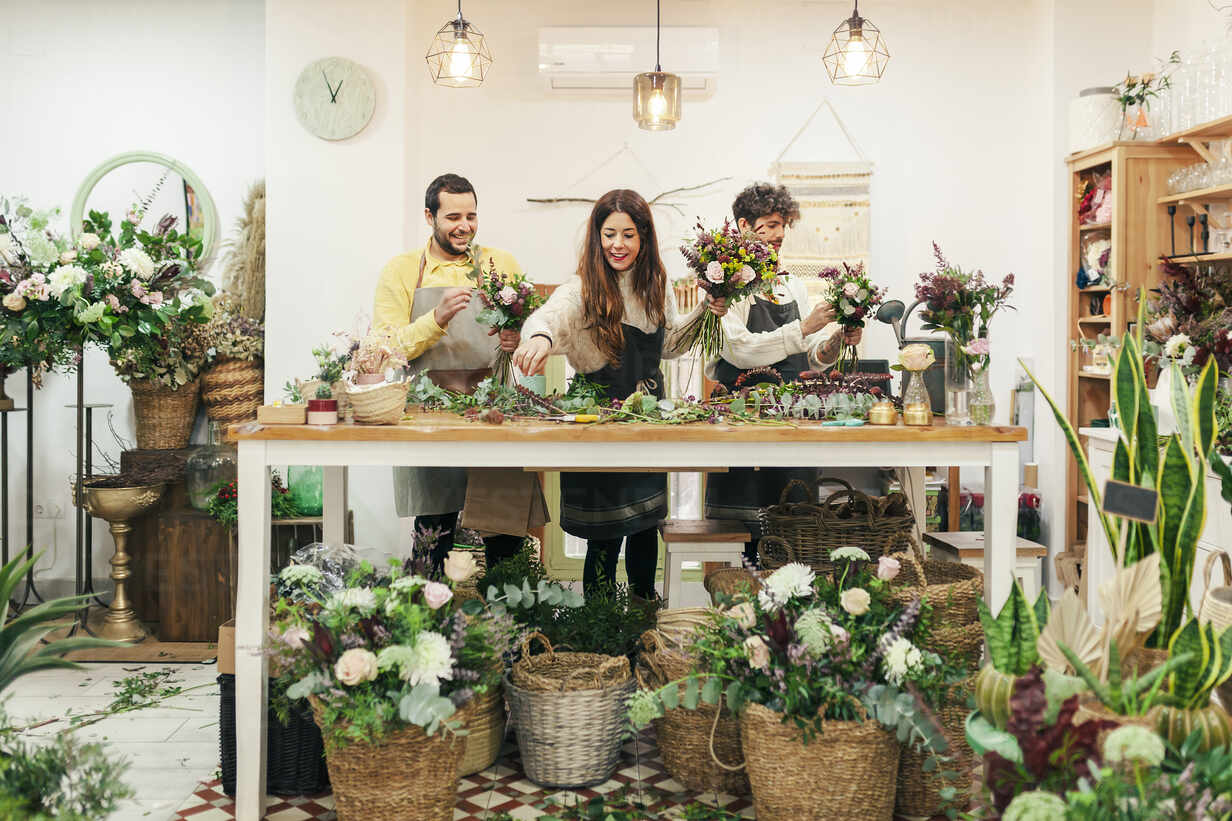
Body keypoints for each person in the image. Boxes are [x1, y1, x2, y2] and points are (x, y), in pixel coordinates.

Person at [513, 189, 721, 599]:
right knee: (604, 535)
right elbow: (551, 316)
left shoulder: (654, 285)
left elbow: (670, 346)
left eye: (628, 234)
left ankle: (644, 618)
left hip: (647, 421)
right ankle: (601, 626)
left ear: (643, 238)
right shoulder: (582, 288)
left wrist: (704, 310)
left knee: (646, 528)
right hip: (601, 424)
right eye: (609, 234)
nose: (617, 244)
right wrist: (537, 336)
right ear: (597, 236)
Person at [373, 173, 528, 572]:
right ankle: (429, 623)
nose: (465, 227)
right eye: (453, 217)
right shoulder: (402, 271)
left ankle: (506, 626)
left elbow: (527, 329)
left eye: (472, 216)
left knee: (504, 530)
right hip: (429, 417)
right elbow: (384, 351)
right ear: (430, 216)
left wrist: (517, 337)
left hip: (494, 413)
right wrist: (436, 318)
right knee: (433, 534)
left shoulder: (500, 263)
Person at [704, 182, 862, 565]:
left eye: (782, 226)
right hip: (742, 420)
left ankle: (788, 611)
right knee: (744, 535)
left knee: (794, 531)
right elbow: (738, 351)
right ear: (744, 225)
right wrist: (803, 329)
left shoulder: (791, 284)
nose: (779, 234)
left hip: (792, 419)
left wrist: (836, 340)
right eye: (771, 225)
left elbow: (810, 358)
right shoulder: (729, 288)